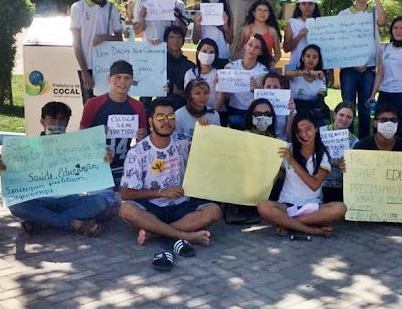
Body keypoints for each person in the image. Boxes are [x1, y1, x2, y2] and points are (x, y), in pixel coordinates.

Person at [119, 98, 222, 271]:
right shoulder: (137, 152)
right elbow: (126, 193)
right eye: (160, 117)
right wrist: (161, 192)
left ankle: (154, 232)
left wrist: (206, 132)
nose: (166, 121)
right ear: (151, 121)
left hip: (181, 205)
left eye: (171, 117)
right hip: (151, 207)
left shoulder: (184, 141)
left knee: (214, 211)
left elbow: (211, 151)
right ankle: (186, 236)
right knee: (126, 209)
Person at [0, 102, 111, 237]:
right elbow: (16, 180)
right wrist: (3, 171)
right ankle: (75, 223)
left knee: (101, 204)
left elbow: (94, 170)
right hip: (40, 199)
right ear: (42, 121)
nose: (57, 123)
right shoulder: (26, 149)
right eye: (52, 119)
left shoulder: (79, 146)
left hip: (71, 200)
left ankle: (42, 221)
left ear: (67, 123)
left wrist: (104, 159)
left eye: (62, 119)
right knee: (16, 206)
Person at [257, 115, 347, 238]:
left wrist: (292, 161)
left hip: (312, 207)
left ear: (316, 129)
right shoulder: (287, 148)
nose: (304, 134)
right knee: (263, 206)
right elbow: (276, 173)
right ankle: (312, 230)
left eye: (308, 129)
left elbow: (314, 185)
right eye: (299, 131)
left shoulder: (322, 154)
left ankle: (287, 223)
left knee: (340, 208)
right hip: (286, 204)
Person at [80, 60, 147, 187]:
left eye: (127, 78)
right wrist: (96, 133)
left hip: (125, 166)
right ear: (109, 79)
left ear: (132, 81)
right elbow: (81, 136)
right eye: (117, 77)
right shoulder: (93, 104)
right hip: (98, 166)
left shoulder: (138, 106)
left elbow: (142, 142)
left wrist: (142, 136)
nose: (122, 82)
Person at [338, 0, 386, 139]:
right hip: (349, 68)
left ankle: (365, 142)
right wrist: (354, 62)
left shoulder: (373, 12)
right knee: (348, 107)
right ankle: (347, 141)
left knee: (366, 108)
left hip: (369, 67)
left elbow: (382, 22)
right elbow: (340, 43)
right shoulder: (343, 15)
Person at [70, 0, 123, 104]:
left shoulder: (111, 7)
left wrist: (105, 37)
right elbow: (76, 43)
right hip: (86, 66)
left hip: (107, 66)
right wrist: (85, 72)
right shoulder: (78, 7)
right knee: (89, 107)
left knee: (107, 106)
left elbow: (119, 39)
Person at [225, 98, 279, 225]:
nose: (263, 117)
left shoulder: (275, 140)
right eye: (258, 114)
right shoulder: (242, 136)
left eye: (267, 114)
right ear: (251, 116)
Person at [370, 16, 402, 141]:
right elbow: (380, 73)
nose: (398, 31)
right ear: (391, 30)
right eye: (395, 28)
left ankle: (397, 155)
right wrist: (373, 94)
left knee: (398, 128)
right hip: (385, 93)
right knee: (379, 126)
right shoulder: (385, 48)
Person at [223, 34, 271, 130]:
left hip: (253, 111)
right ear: (245, 46)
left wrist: (256, 88)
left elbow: (262, 90)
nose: (252, 49)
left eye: (257, 47)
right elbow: (225, 91)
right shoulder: (231, 66)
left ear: (261, 52)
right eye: (250, 45)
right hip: (234, 109)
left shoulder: (263, 70)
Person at [320, 102, 359, 203]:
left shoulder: (355, 141)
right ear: (335, 115)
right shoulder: (319, 133)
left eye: (349, 117)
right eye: (341, 115)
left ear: (352, 120)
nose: (344, 119)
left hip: (340, 183)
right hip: (318, 180)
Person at [191, 0, 233, 68]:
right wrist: (197, 24)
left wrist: (225, 25)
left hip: (222, 55)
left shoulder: (227, 13)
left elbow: (230, 40)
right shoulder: (199, 12)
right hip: (204, 55)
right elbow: (195, 40)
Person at [184, 38, 226, 126]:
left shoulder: (219, 74)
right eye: (205, 51)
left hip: (216, 113)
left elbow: (221, 97)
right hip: (194, 114)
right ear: (198, 52)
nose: (207, 54)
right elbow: (188, 96)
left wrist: (212, 114)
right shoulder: (190, 73)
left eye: (211, 52)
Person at [285, 44, 328, 127]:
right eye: (308, 56)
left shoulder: (320, 76)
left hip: (312, 110)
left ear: (318, 60)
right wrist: (308, 72)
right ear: (302, 58)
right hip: (294, 108)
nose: (311, 59)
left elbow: (321, 95)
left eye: (315, 57)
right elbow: (287, 74)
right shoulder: (295, 72)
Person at [234, 0, 281, 68]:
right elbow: (237, 50)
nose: (262, 13)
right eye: (259, 10)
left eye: (265, 11)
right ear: (253, 13)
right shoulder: (245, 30)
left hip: (266, 66)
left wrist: (272, 62)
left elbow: (277, 53)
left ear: (269, 14)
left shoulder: (272, 31)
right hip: (248, 67)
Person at [164, 25, 196, 109]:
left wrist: (179, 92)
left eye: (179, 37)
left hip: (184, 105)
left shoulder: (190, 66)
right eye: (172, 37)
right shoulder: (159, 62)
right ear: (166, 41)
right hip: (163, 104)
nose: (175, 40)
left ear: (183, 41)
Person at [262, 72, 295, 141]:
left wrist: (291, 115)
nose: (272, 90)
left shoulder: (288, 104)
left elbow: (289, 136)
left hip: (280, 141)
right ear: (263, 87)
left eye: (276, 87)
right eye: (268, 87)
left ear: (281, 87)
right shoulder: (256, 105)